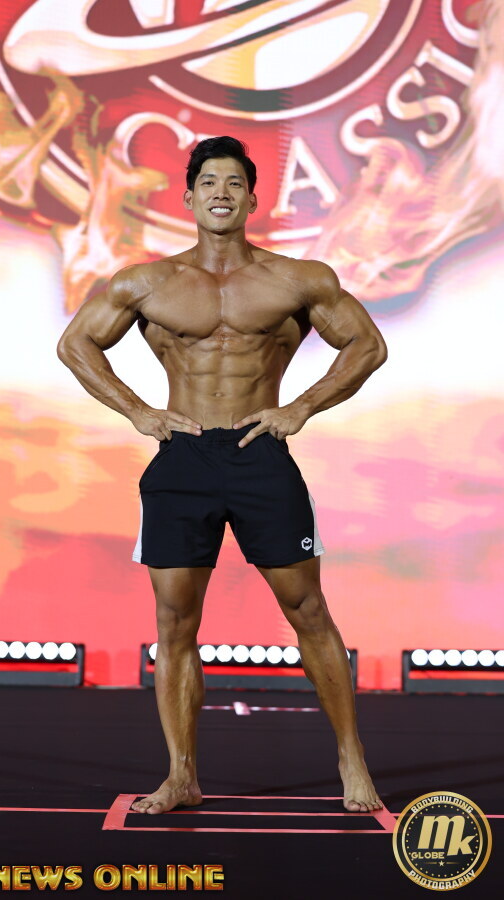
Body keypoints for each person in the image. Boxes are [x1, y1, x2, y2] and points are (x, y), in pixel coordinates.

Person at [57, 136, 387, 815]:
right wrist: (138, 411)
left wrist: (300, 406)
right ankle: (181, 775)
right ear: (188, 197)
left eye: (234, 183)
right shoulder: (147, 282)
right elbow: (75, 344)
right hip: (183, 459)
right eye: (209, 182)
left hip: (260, 455)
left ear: (252, 199)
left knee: (308, 610)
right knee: (175, 623)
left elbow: (368, 345)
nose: (221, 193)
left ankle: (351, 759)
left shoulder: (296, 279)